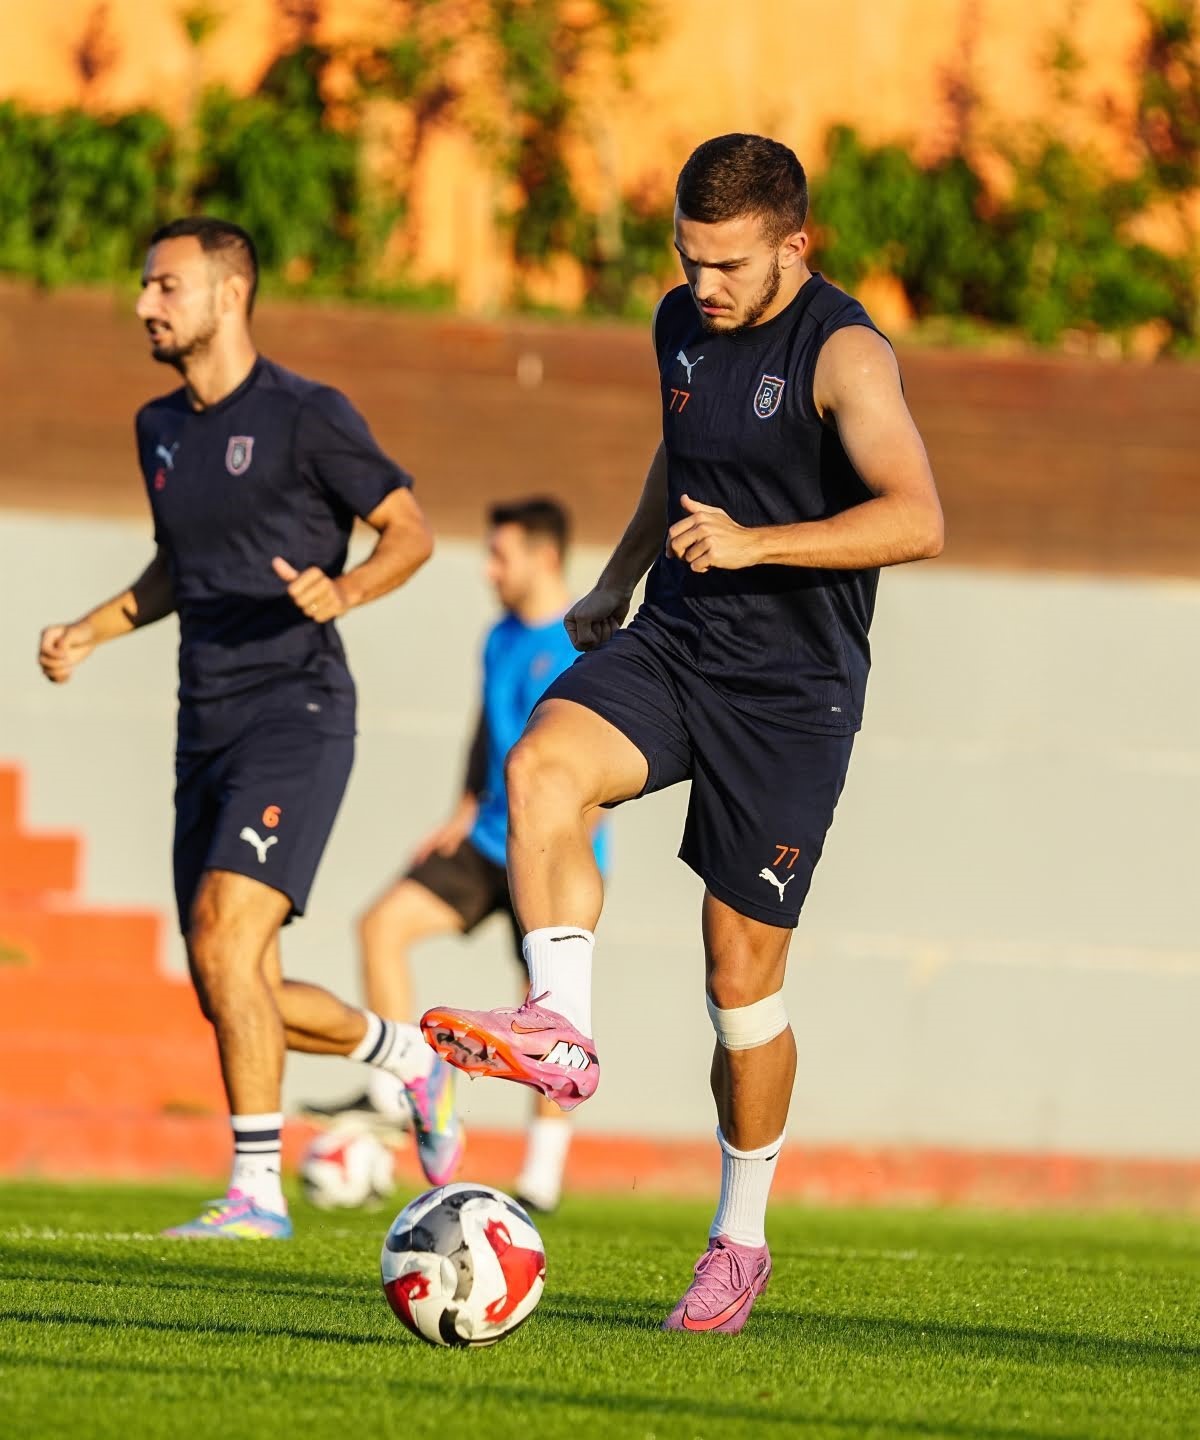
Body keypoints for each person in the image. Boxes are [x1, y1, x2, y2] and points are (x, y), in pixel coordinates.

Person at [421, 134, 944, 1331]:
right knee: (541, 762)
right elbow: (683, 450)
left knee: (738, 983)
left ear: (793, 246)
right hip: (676, 640)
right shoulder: (680, 323)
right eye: (686, 257)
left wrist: (759, 546)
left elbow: (917, 517)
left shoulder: (846, 354)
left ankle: (738, 1241)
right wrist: (617, 581)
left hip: (792, 693)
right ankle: (560, 1025)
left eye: (727, 265)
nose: (702, 285)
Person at [37, 216, 448, 1241]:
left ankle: (257, 1194)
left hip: (297, 714)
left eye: (165, 287)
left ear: (228, 295)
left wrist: (345, 591)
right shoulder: (159, 429)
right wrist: (87, 631)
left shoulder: (311, 416)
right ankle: (407, 1058)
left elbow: (413, 529)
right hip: (203, 725)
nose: (144, 305)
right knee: (234, 984)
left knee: (227, 935)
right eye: (144, 287)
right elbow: (179, 570)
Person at [304, 498, 607, 1214]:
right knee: (381, 925)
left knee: (550, 1020)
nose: (488, 569)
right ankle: (395, 1088)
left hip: (555, 852)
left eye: (500, 555)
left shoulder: (585, 642)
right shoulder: (499, 636)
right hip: (483, 842)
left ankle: (541, 1178)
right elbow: (486, 732)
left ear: (545, 557)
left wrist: (576, 847)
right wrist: (462, 809)